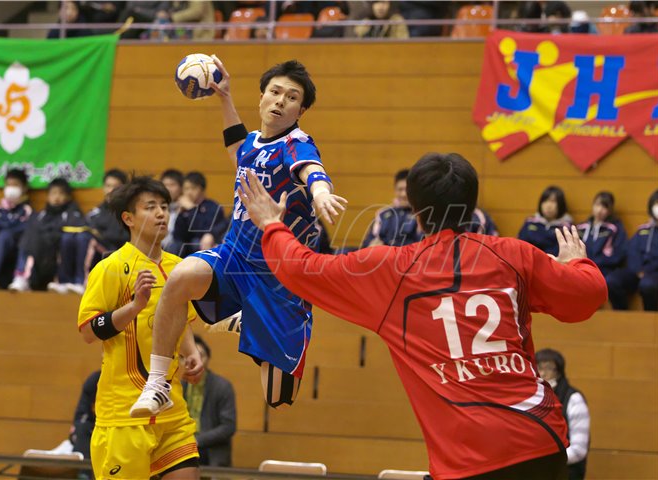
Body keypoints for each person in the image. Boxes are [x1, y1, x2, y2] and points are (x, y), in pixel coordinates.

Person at [238, 152, 607, 480]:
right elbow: (587, 296)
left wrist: (272, 225)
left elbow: (300, 268)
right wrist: (577, 262)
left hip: (469, 458)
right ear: (471, 205)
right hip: (540, 438)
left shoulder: (391, 270)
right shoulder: (514, 255)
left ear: (415, 211)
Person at [131, 57, 347, 416]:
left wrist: (321, 192)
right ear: (261, 97)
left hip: (281, 278)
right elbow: (237, 149)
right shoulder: (251, 143)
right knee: (179, 277)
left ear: (301, 110)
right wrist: (225, 97)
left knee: (277, 397)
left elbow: (312, 170)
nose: (280, 100)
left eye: (291, 97)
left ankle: (247, 319)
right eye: (275, 92)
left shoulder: (296, 144)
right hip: (235, 257)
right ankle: (157, 384)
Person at [77, 175, 203, 479]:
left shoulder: (178, 267)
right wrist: (133, 307)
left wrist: (192, 352)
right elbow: (88, 330)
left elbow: (180, 319)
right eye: (150, 207)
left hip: (172, 411)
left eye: (164, 207)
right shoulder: (110, 268)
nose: (161, 213)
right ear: (128, 218)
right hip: (124, 416)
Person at [8, 178, 86, 293]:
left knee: (63, 240)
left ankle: (62, 281)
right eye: (53, 193)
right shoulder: (41, 215)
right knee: (28, 238)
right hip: (41, 260)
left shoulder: (73, 214)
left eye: (61, 193)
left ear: (68, 197)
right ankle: (22, 277)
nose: (57, 197)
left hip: (57, 260)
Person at [536, 349, 590, 480]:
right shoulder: (533, 399)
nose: (543, 373)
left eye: (549, 368)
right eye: (539, 368)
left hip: (565, 472)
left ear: (559, 372)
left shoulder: (574, 399)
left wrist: (545, 463)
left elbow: (578, 450)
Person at [183, 336, 237, 467]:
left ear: (208, 358)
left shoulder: (222, 386)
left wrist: (197, 440)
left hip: (210, 451)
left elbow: (228, 427)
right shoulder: (177, 385)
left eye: (200, 356)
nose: (195, 361)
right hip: (182, 448)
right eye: (189, 357)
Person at [606, 189, 658, 311]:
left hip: (655, 274)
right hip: (638, 272)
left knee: (647, 285)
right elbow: (632, 251)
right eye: (657, 203)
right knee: (611, 280)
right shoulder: (643, 230)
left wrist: (648, 272)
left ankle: (650, 316)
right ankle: (621, 313)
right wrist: (638, 270)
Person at [172, 172, 228, 258]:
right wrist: (181, 215)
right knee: (174, 245)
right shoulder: (184, 207)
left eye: (193, 188)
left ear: (201, 189)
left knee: (196, 242)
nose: (189, 192)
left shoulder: (212, 207)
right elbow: (177, 235)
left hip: (204, 243)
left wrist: (191, 209)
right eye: (186, 189)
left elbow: (203, 231)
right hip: (185, 245)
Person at [362, 169, 424, 248]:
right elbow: (368, 241)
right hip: (383, 254)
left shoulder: (421, 214)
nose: (403, 194)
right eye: (400, 189)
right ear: (395, 190)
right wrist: (371, 245)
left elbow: (422, 243)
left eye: (406, 189)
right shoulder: (383, 214)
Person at [84, 169, 130, 274]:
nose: (111, 190)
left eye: (115, 186)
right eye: (108, 186)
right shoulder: (95, 213)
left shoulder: (128, 213)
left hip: (120, 255)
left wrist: (100, 237)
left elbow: (124, 238)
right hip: (98, 254)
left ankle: (83, 277)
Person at [575, 192, 626, 280]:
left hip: (604, 269)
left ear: (610, 210)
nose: (599, 210)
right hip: (581, 267)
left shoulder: (615, 228)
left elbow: (619, 254)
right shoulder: (581, 227)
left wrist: (597, 262)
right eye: (597, 205)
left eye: (604, 207)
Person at [518, 186, 573, 256]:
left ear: (561, 204)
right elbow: (521, 246)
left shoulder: (566, 228)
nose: (548, 205)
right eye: (545, 201)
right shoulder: (530, 223)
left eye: (553, 201)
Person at [160, 169, 184, 253]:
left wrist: (188, 212)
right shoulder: (156, 207)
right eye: (165, 185)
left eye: (172, 185)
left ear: (181, 188)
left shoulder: (188, 208)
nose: (168, 188)